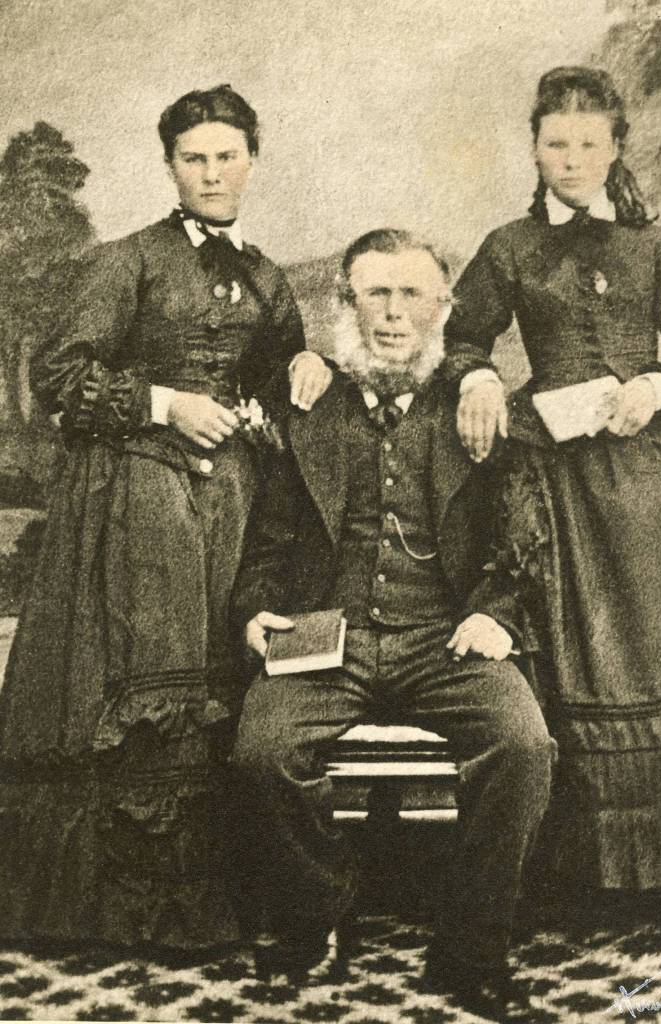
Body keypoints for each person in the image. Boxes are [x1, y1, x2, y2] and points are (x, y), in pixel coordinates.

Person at [446, 66, 661, 903]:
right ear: (535, 149)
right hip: (562, 489)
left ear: (615, 149)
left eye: (588, 143)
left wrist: (657, 387)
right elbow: (460, 339)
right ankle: (596, 876)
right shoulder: (510, 247)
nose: (571, 159)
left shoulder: (658, 244)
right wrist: (479, 378)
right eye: (556, 143)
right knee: (588, 660)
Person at [0, 84, 331, 948]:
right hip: (135, 503)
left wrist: (303, 374)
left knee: (226, 674)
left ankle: (225, 902)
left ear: (251, 162)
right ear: (171, 167)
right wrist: (165, 403)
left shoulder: (266, 277)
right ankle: (125, 917)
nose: (212, 173)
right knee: (149, 683)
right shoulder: (130, 261)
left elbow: (282, 380)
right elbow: (59, 375)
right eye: (194, 159)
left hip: (232, 512)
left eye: (227, 156)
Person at [231, 228, 553, 1020]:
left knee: (522, 746)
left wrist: (494, 615)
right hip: (326, 638)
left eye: (412, 293)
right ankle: (320, 916)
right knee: (261, 753)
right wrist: (254, 612)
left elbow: (523, 536)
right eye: (375, 293)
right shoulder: (311, 411)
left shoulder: (478, 409)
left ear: (444, 306)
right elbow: (269, 540)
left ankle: (471, 945)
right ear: (345, 304)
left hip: (445, 639)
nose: (393, 313)